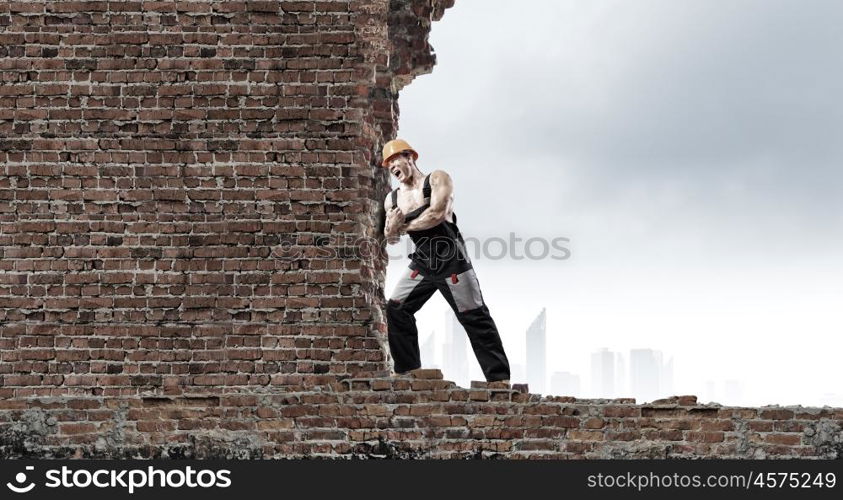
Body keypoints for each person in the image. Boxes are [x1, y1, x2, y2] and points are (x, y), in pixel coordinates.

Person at [381, 139, 511, 383]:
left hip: (451, 259)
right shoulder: (393, 199)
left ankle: (499, 380)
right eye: (388, 166)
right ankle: (408, 371)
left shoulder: (437, 179)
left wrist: (402, 225)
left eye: (395, 161)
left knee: (474, 315)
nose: (392, 168)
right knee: (397, 308)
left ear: (409, 156)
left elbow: (437, 214)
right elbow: (391, 237)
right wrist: (392, 229)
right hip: (423, 261)